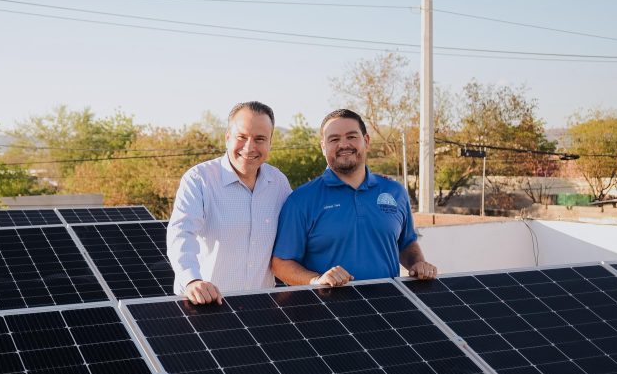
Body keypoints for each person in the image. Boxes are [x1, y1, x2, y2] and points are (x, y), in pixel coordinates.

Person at [271, 108, 436, 286]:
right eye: (334, 139)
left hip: (389, 307)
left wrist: (417, 263)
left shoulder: (395, 191)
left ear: (366, 141)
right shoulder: (300, 200)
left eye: (351, 136)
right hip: (327, 311)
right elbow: (281, 264)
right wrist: (316, 280)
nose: (344, 145)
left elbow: (406, 243)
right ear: (323, 147)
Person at [167, 101, 292, 304]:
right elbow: (181, 233)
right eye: (241, 137)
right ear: (227, 138)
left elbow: (293, 236)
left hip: (262, 307)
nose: (249, 147)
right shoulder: (199, 179)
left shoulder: (278, 183)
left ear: (270, 142)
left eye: (260, 139)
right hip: (207, 305)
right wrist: (192, 280)